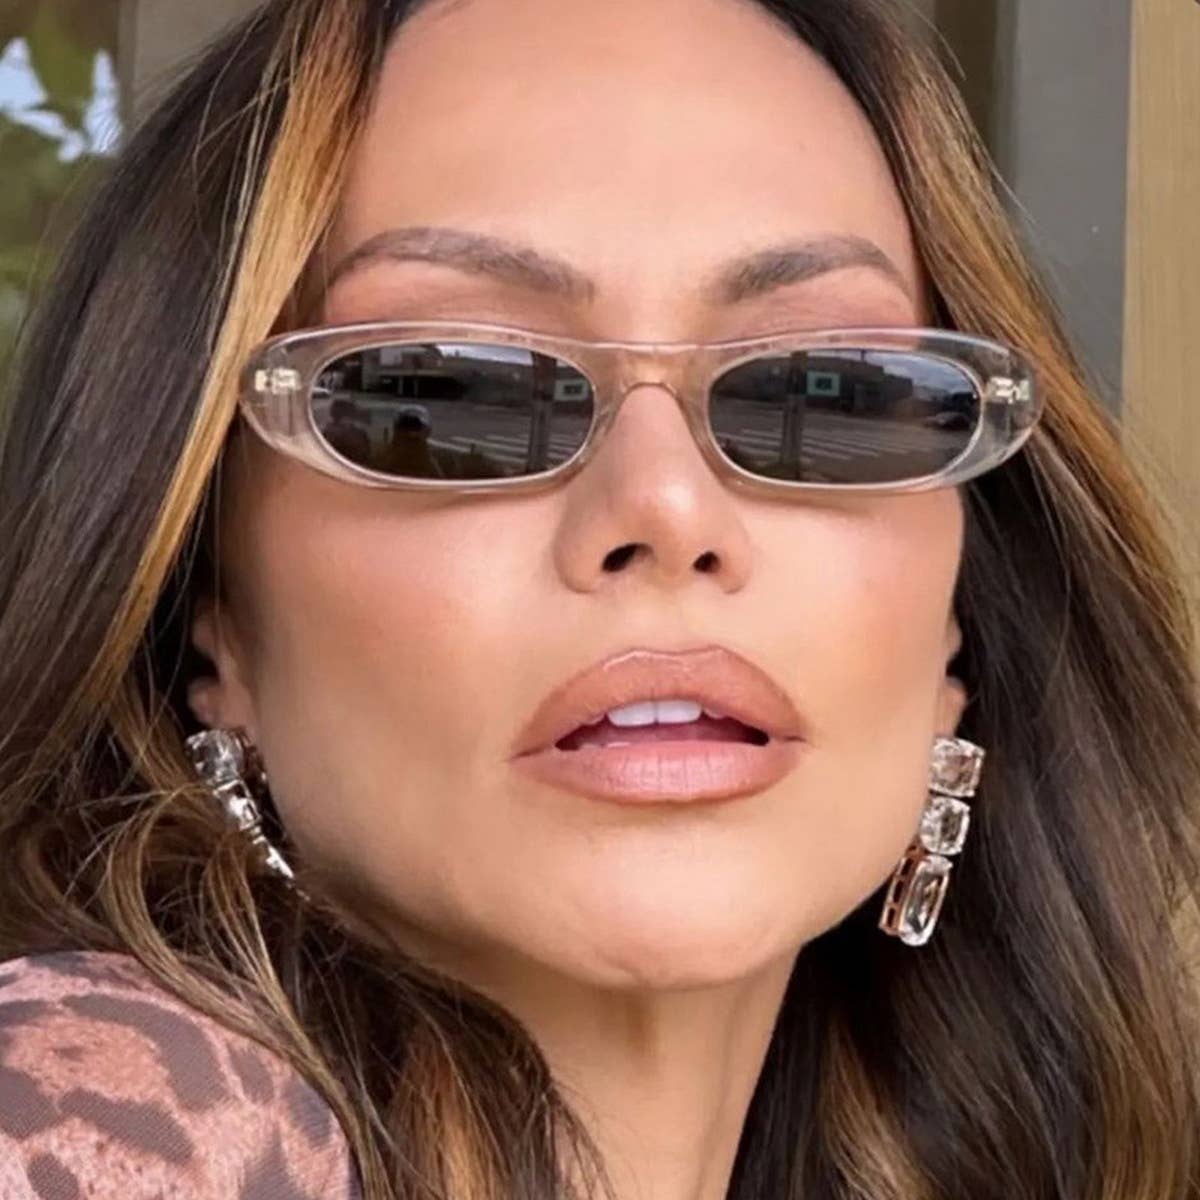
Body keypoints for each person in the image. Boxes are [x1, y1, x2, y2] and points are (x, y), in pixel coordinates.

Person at [1, 0, 1198, 1198]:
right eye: (448, 394)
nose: (667, 510)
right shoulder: (110, 1116)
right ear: (208, 609)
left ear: (953, 635)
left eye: (821, 391)